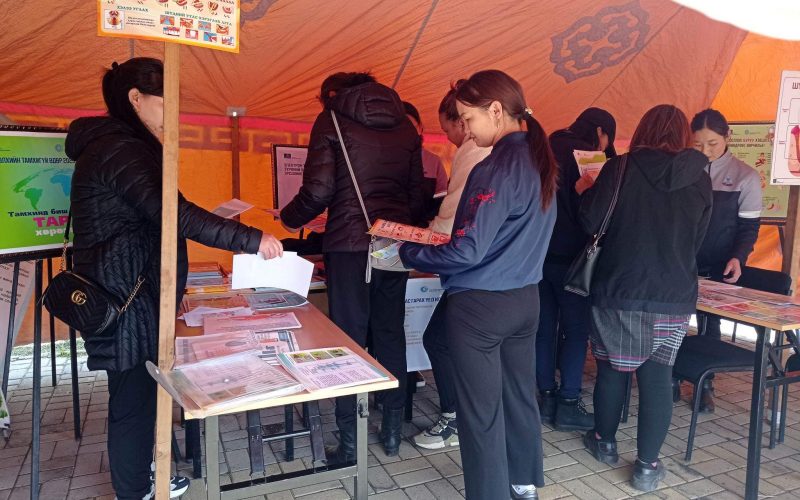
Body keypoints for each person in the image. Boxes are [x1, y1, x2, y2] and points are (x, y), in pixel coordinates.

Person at [65, 57, 283, 500]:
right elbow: (175, 214)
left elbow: (161, 216)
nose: (174, 114)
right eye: (168, 102)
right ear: (136, 98)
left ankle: (144, 475)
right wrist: (251, 239)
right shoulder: (119, 149)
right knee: (132, 398)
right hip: (122, 299)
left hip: (131, 291)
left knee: (140, 392)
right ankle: (134, 490)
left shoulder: (123, 145)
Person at [400, 69, 557, 500]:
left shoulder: (495, 168)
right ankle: (523, 485)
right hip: (526, 300)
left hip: (481, 309)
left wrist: (408, 253)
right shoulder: (540, 161)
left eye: (468, 119)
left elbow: (467, 251)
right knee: (519, 398)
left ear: (496, 110)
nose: (466, 130)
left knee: (480, 414)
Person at [280, 72, 424, 460]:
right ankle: (392, 430)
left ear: (332, 94)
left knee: (348, 339)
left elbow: (318, 190)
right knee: (390, 333)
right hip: (394, 243)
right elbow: (416, 195)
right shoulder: (406, 127)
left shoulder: (330, 120)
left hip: (349, 247)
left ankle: (350, 440)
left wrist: (289, 219)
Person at [578, 104, 712, 493]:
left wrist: (584, 192)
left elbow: (590, 222)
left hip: (619, 289)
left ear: (642, 131)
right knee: (657, 377)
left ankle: (604, 443)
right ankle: (647, 467)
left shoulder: (618, 168)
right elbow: (698, 241)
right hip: (673, 295)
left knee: (611, 370)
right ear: (683, 135)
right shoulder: (701, 177)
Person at [412, 82, 491, 450]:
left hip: (476, 273)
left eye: (451, 127)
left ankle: (456, 419)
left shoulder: (474, 151)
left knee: (440, 340)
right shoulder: (516, 151)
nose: (452, 137)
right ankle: (472, 417)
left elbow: (452, 213)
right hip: (509, 277)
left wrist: (417, 246)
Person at [536, 107, 616, 432]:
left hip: (538, 256)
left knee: (543, 329)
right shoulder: (590, 157)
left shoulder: (544, 148)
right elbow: (593, 214)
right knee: (576, 331)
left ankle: (545, 398)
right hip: (575, 262)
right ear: (599, 132)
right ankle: (569, 402)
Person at [685, 108, 762, 412]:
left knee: (709, 324)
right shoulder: (684, 170)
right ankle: (673, 377)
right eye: (698, 144)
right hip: (681, 260)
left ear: (727, 137)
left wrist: (738, 257)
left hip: (719, 263)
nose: (705, 151)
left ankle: (705, 385)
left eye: (712, 144)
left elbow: (748, 228)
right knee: (675, 320)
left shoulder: (746, 176)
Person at [403, 101, 449, 222]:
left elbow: (441, 201)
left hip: (425, 227)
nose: (406, 133)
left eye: (411, 127)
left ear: (420, 128)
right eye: (401, 128)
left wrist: (427, 224)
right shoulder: (386, 160)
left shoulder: (434, 162)